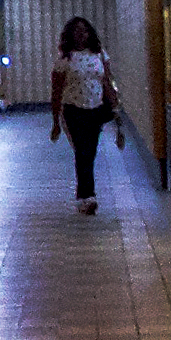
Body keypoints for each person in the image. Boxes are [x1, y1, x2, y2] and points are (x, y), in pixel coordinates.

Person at [49, 15, 116, 212]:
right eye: (76, 31)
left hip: (95, 108)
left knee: (90, 151)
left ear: (89, 33)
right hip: (73, 110)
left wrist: (115, 108)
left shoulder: (99, 55)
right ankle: (88, 196)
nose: (81, 34)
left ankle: (85, 195)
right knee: (82, 151)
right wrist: (55, 121)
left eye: (84, 30)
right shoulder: (64, 60)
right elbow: (56, 91)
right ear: (70, 35)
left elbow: (107, 81)